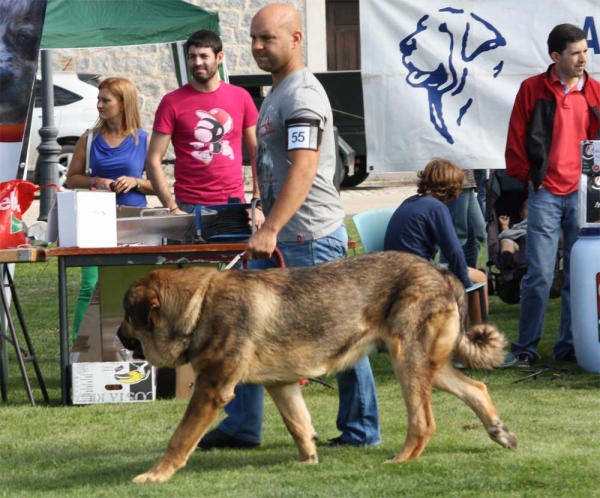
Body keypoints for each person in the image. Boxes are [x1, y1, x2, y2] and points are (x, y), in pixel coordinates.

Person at [199, 3, 380, 451]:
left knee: (343, 339)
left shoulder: (302, 94)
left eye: (268, 38)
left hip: (310, 241)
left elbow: (304, 165)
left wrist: (271, 227)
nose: (258, 47)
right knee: (242, 328)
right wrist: (261, 213)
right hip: (282, 238)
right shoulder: (277, 92)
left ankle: (361, 431)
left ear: (296, 39)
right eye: (254, 38)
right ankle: (242, 425)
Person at [504, 23, 600, 368]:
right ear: (556, 56)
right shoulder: (532, 89)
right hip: (545, 193)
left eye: (585, 51)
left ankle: (569, 347)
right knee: (540, 276)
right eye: (575, 52)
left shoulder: (595, 91)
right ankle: (525, 350)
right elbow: (515, 140)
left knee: (580, 276)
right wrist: (530, 180)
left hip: (585, 197)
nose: (583, 58)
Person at [65, 77, 153, 339]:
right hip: (96, 221)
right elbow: (71, 178)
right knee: (90, 286)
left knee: (136, 287)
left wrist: (136, 181)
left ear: (123, 103)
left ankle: (135, 346)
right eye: (98, 99)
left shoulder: (144, 140)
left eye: (106, 100)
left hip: (134, 220)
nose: (99, 105)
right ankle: (81, 348)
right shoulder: (89, 139)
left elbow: (159, 185)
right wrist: (96, 181)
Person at [145, 29, 263, 221]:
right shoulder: (171, 102)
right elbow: (153, 159)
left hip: (234, 205)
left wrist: (257, 202)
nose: (197, 62)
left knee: (234, 253)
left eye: (203, 56)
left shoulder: (241, 97)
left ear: (219, 57)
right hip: (189, 207)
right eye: (192, 56)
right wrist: (172, 208)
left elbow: (259, 152)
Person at [383, 158, 488, 324]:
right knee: (480, 277)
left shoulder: (411, 200)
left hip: (394, 272)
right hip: (417, 272)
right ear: (453, 186)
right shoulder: (436, 208)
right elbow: (453, 251)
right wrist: (466, 284)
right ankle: (477, 335)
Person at [442, 169, 486, 269]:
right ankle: (447, 275)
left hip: (467, 182)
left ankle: (468, 274)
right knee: (457, 234)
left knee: (477, 232)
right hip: (455, 180)